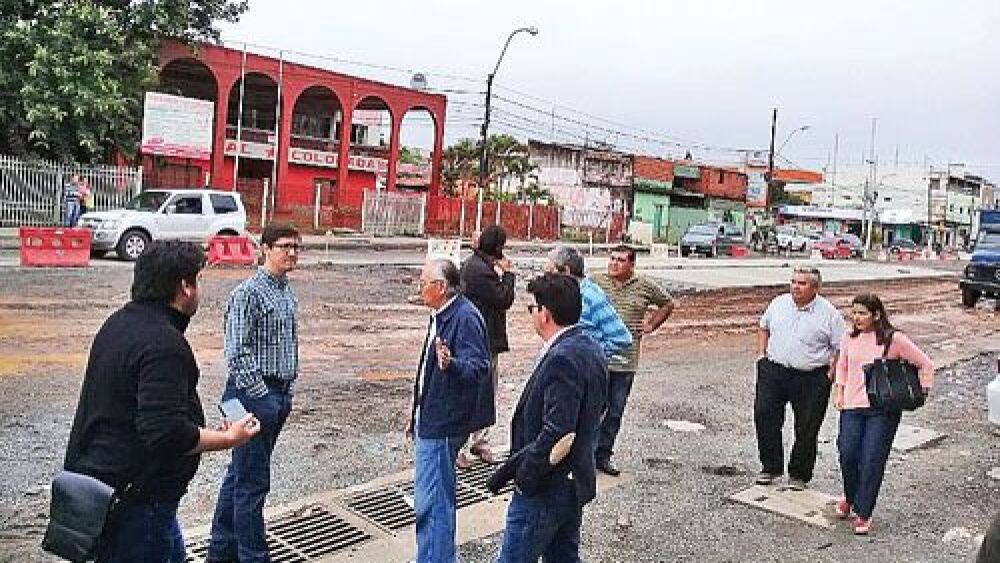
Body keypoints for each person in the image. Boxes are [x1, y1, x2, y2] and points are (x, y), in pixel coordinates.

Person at [61, 241, 259, 563]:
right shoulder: (164, 343)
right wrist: (228, 438)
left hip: (115, 493)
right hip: (139, 505)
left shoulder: (120, 323)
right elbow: (165, 433)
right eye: (197, 279)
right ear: (184, 287)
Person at [489, 273, 608, 562]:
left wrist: (526, 476)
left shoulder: (563, 358)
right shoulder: (590, 346)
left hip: (546, 488)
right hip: (572, 482)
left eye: (532, 308)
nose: (531, 314)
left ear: (545, 313)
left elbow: (559, 433)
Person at [206, 224, 302, 563]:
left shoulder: (284, 290)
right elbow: (235, 351)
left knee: (240, 476)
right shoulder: (248, 293)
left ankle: (221, 552)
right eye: (284, 246)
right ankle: (252, 556)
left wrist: (285, 392)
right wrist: (262, 396)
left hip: (274, 394)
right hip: (248, 395)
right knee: (252, 483)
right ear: (264, 248)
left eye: (295, 247)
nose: (291, 252)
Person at [406, 258, 491, 563]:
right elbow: (427, 371)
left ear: (441, 287)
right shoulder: (442, 313)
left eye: (423, 282)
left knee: (433, 503)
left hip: (443, 423)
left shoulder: (464, 317)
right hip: (431, 416)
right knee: (429, 499)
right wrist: (416, 408)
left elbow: (478, 367)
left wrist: (451, 365)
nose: (419, 288)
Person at [832, 293, 933, 535]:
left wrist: (921, 391)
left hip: (883, 409)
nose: (856, 318)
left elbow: (925, 364)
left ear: (876, 315)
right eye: (853, 312)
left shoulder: (894, 339)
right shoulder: (848, 337)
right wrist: (839, 391)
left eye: (862, 313)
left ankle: (864, 512)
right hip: (852, 406)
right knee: (847, 453)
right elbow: (842, 365)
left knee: (871, 459)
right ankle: (850, 495)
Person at [754, 266, 846, 489]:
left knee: (807, 426)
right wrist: (761, 355)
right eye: (793, 281)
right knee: (765, 416)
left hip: (811, 377)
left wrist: (832, 373)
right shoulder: (779, 303)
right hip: (774, 370)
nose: (796, 286)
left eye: (802, 283)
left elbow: (840, 346)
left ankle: (799, 474)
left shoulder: (829, 314)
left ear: (815, 287)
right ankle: (770, 467)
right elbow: (763, 327)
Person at [591, 245, 674, 476]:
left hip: (625, 362)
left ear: (631, 264)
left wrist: (651, 325)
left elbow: (667, 303)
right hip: (597, 358)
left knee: (615, 410)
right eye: (612, 259)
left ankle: (603, 455)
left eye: (620, 260)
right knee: (592, 409)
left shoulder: (645, 286)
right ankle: (583, 455)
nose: (614, 264)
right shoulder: (596, 282)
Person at [459, 224, 516, 466]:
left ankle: (478, 440)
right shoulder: (479, 270)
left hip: (482, 338)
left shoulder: (478, 264)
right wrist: (508, 274)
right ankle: (461, 445)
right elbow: (504, 299)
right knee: (475, 390)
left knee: (485, 390)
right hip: (481, 339)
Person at [544, 245, 632, 361]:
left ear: (566, 271)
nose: (548, 279)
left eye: (551, 273)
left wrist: (587, 353)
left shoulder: (591, 296)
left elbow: (622, 339)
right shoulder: (566, 295)